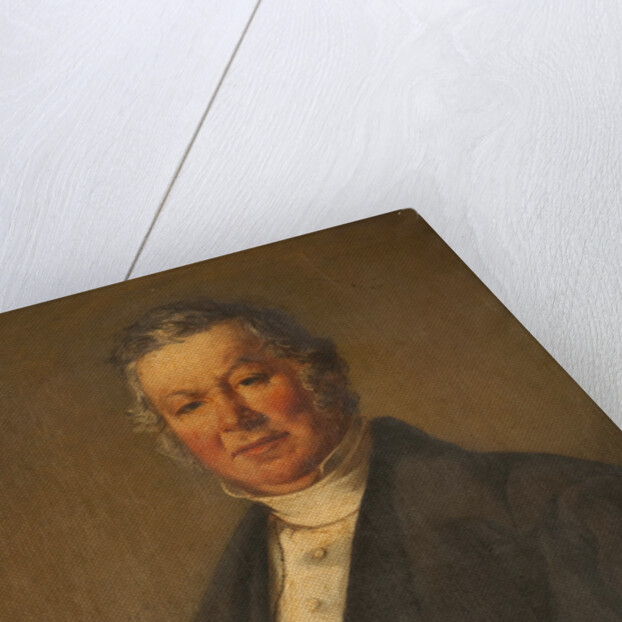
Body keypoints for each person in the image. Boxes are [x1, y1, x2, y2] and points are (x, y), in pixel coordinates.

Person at [111, 299, 622, 622]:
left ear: (322, 376)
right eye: (191, 406)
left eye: (250, 380)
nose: (233, 418)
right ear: (175, 437)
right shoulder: (234, 585)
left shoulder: (559, 500)